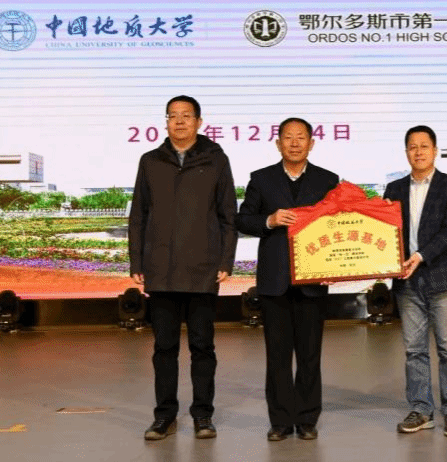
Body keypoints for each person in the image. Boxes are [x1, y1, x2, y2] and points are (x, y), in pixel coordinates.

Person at [128, 95, 238, 441]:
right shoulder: (150, 161)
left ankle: (203, 415)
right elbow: (138, 214)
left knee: (203, 346)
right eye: (172, 116)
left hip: (202, 268)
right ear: (166, 122)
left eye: (186, 116)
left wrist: (225, 260)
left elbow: (228, 215)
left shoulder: (216, 160)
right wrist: (137, 260)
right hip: (160, 269)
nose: (179, 121)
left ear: (199, 122)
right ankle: (164, 416)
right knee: (164, 348)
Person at [236, 118, 339, 441]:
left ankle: (307, 419)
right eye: (288, 138)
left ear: (311, 143)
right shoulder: (261, 179)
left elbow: (341, 222)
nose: (295, 143)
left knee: (310, 354)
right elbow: (243, 219)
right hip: (275, 280)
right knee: (278, 355)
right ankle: (280, 420)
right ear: (278, 143)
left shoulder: (327, 180)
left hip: (313, 279)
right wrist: (269, 219)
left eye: (301, 137)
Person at [383, 126, 447, 437]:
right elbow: (385, 233)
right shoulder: (393, 189)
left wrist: (419, 256)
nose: (418, 152)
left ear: (435, 150)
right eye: (412, 147)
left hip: (442, 278)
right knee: (414, 350)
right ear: (406, 152)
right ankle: (421, 409)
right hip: (407, 282)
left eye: (424, 146)